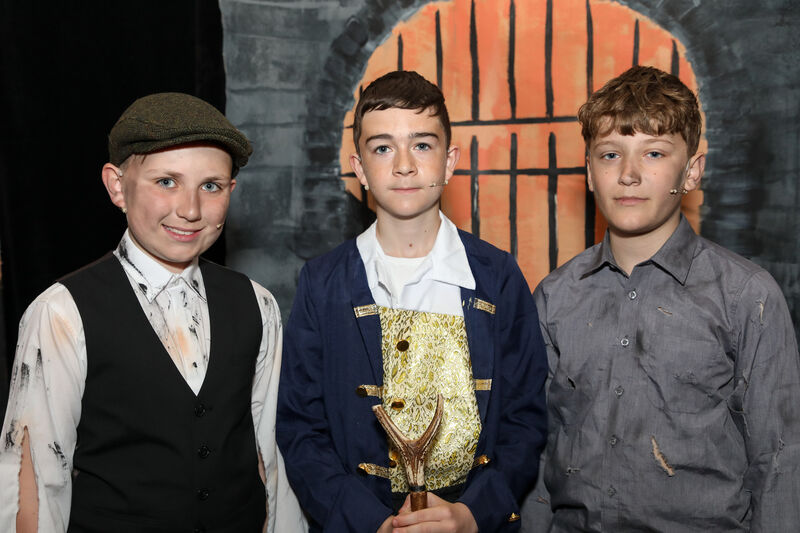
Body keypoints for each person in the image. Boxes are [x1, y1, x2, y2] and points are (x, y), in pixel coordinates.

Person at [0, 93, 305, 533]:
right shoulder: (62, 312)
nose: (190, 209)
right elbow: (36, 480)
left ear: (231, 191)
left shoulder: (256, 304)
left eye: (211, 186)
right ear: (117, 186)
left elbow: (268, 456)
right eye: (166, 182)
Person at [529, 65, 800, 531]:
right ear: (590, 173)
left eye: (654, 153)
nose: (629, 174)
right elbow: (540, 454)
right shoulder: (556, 297)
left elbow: (779, 463)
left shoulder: (745, 296)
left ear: (691, 171)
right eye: (610, 154)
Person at [277, 70, 548, 533]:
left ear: (449, 161)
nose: (404, 164)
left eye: (422, 145)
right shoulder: (322, 283)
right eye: (382, 148)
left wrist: (473, 513)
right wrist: (367, 521)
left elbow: (526, 420)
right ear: (359, 168)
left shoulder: (498, 278)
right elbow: (302, 428)